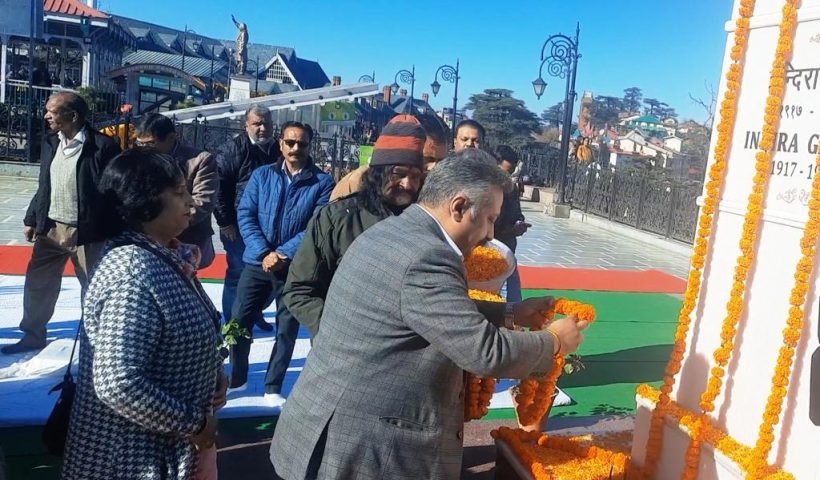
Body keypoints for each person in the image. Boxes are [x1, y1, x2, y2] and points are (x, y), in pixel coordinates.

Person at [269, 149, 587, 479]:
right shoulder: (429, 256)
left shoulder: (397, 231)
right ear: (459, 207)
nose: (491, 235)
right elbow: (484, 352)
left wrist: (511, 312)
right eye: (490, 219)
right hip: (363, 449)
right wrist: (554, 341)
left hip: (331, 424)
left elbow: (422, 309)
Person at [61, 149, 228, 480]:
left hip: (163, 450)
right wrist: (194, 423)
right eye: (178, 193)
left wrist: (212, 374)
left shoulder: (163, 256)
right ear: (146, 203)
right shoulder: (132, 272)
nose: (190, 202)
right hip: (133, 458)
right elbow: (117, 383)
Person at [283, 115, 426, 337]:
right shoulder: (337, 218)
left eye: (415, 176)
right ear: (378, 173)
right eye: (399, 174)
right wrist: (336, 331)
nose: (408, 184)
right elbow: (299, 290)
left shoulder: (425, 223)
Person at [2, 92, 121, 355]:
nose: (47, 116)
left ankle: (97, 344)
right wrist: (32, 218)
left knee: (94, 289)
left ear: (73, 116)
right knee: (38, 284)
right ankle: (33, 335)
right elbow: (45, 183)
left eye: (52, 112)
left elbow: (115, 192)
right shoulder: (50, 142)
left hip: (87, 232)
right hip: (51, 228)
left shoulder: (103, 147)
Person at [229, 121, 334, 405]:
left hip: (294, 267)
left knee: (286, 329)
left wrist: (283, 254)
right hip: (257, 262)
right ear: (281, 144)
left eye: (302, 143)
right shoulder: (262, 175)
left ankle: (272, 386)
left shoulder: (322, 183)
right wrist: (264, 252)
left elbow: (315, 225)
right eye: (290, 142)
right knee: (239, 320)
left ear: (310, 146)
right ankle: (237, 379)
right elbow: (246, 214)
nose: (295, 148)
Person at [215, 106, 281, 331]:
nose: (262, 128)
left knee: (267, 276)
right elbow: (219, 189)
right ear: (246, 125)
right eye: (257, 123)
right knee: (238, 273)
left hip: (271, 226)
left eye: (266, 123)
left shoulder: (279, 149)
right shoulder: (231, 150)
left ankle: (253, 312)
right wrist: (225, 222)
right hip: (239, 226)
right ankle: (233, 323)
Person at [135, 113, 218, 268]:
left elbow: (202, 203)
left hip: (188, 241)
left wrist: (163, 224)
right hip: (147, 241)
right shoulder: (138, 160)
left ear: (171, 138)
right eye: (139, 144)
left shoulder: (200, 160)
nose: (144, 149)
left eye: (150, 143)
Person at [329, 112, 449, 201]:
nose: (434, 167)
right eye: (428, 159)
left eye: (440, 161)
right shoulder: (355, 184)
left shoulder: (437, 190)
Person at [494, 145, 530, 303]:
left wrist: (519, 223)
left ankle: (514, 311)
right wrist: (508, 230)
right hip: (490, 247)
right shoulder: (485, 190)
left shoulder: (512, 189)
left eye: (511, 172)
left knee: (513, 288)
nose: (508, 177)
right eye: (505, 172)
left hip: (508, 247)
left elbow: (517, 213)